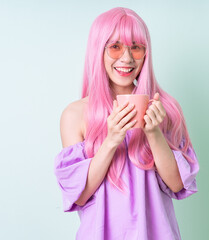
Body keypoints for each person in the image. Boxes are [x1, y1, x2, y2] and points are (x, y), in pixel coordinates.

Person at [54, 7, 199, 240]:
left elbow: (176, 184)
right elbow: (79, 196)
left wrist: (153, 133)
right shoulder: (75, 114)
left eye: (136, 47)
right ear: (98, 51)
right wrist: (111, 140)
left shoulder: (165, 110)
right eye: (115, 47)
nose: (127, 58)